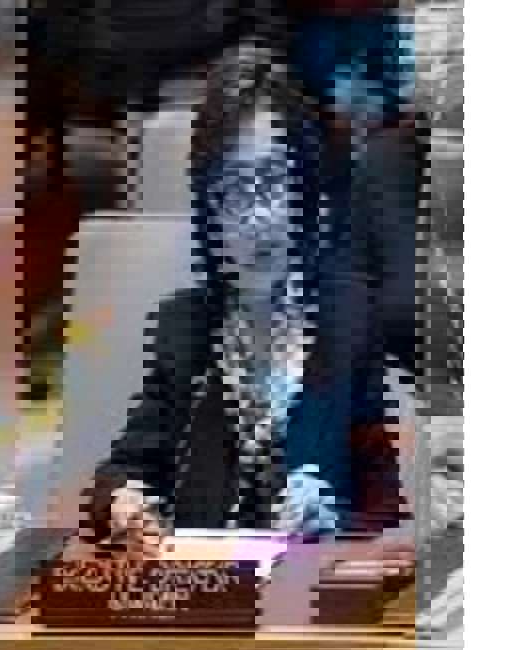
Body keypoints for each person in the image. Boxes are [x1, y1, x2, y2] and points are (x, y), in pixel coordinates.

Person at [82, 46, 409, 571]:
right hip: (201, 600)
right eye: (232, 192)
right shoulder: (184, 330)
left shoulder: (350, 321)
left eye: (272, 182)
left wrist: (335, 521)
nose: (256, 218)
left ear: (303, 189)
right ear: (208, 211)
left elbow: (389, 499)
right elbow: (121, 472)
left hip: (312, 599)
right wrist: (126, 502)